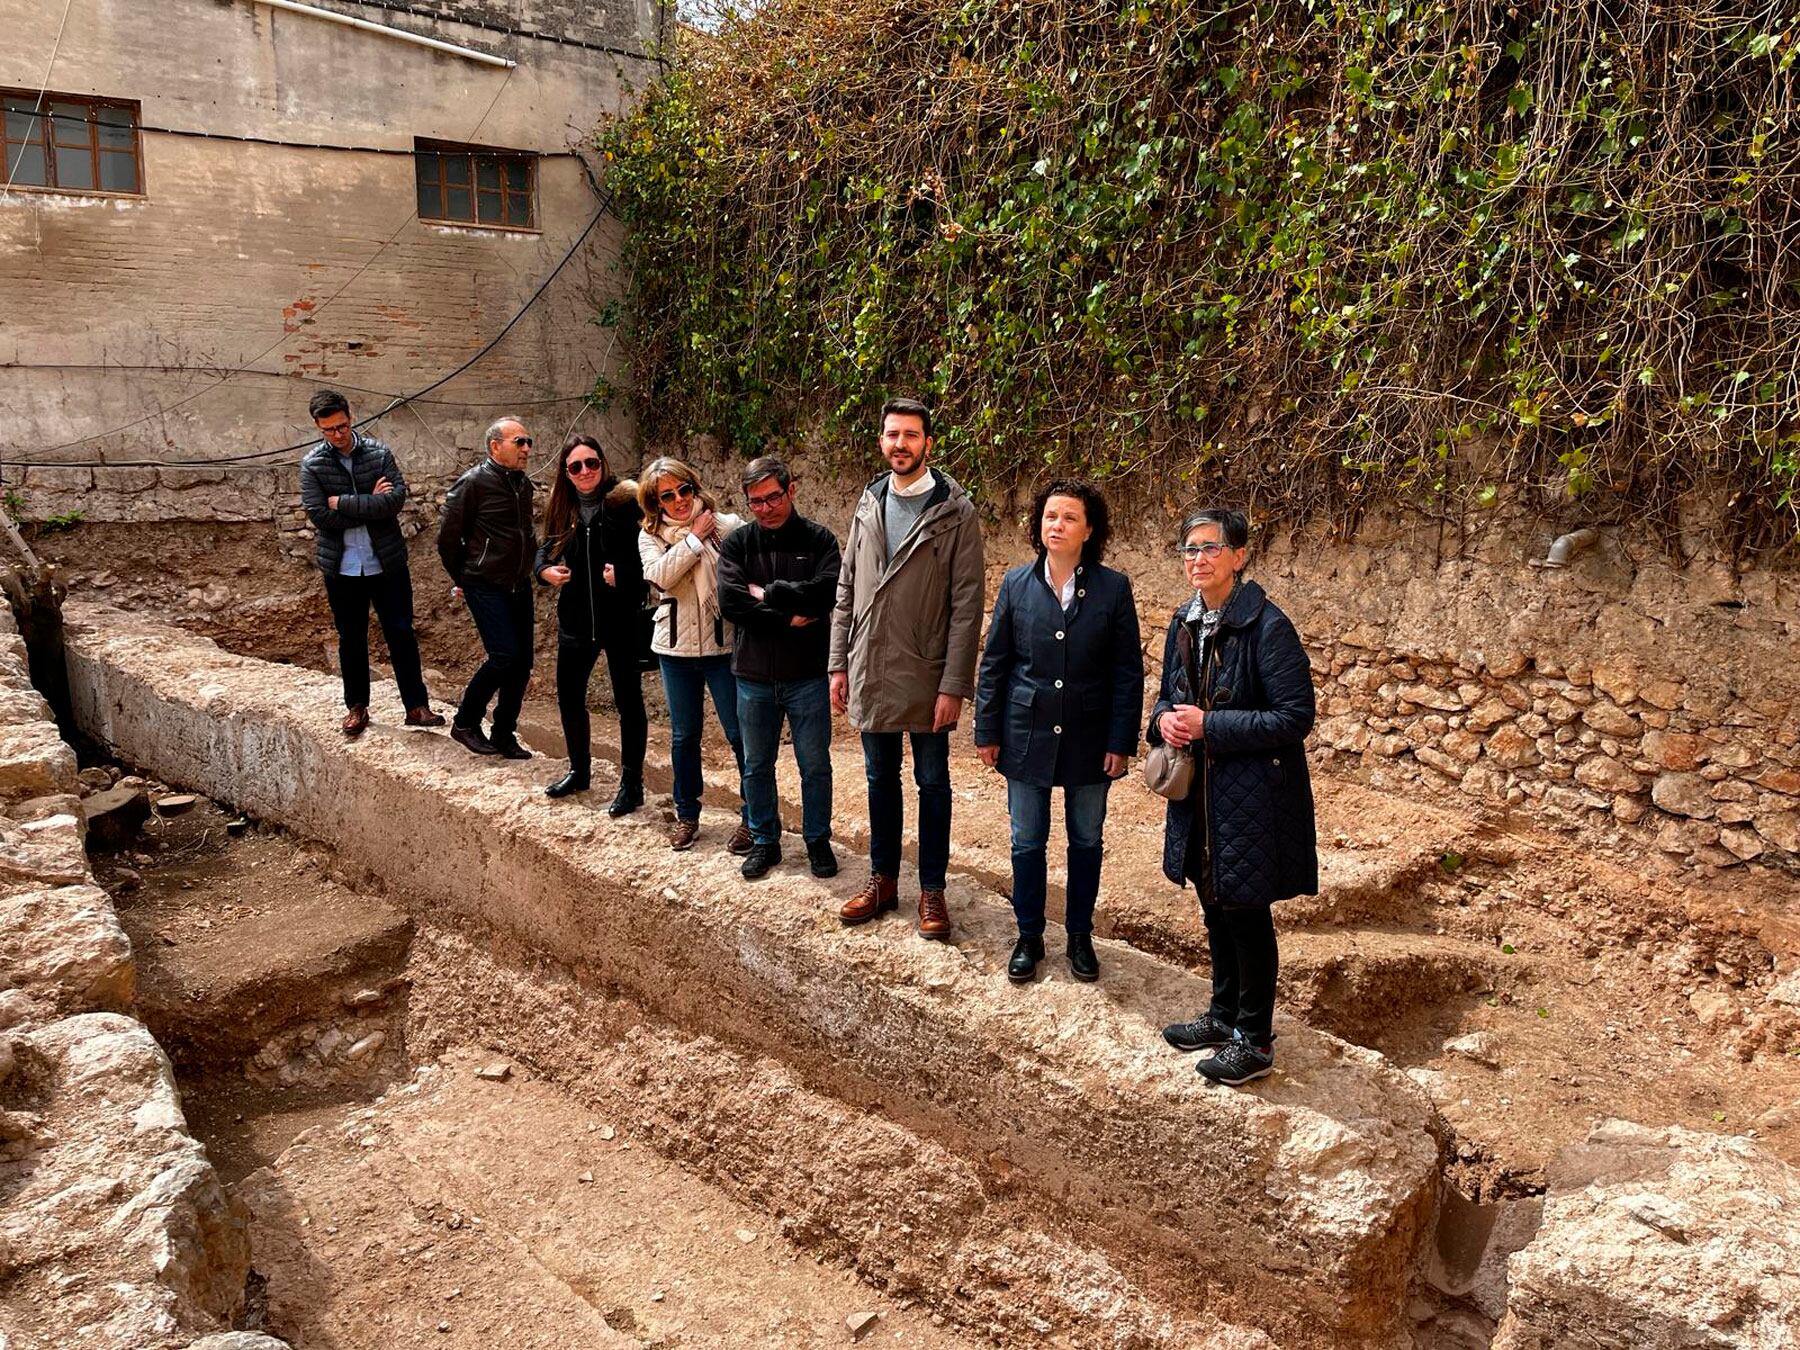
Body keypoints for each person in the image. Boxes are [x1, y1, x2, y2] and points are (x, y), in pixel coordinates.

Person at [1147, 508, 1318, 1086]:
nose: (1197, 559)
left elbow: (1294, 717)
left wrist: (1209, 726)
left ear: (1239, 556)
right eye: (1189, 549)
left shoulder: (1268, 627)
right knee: (1213, 901)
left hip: (1249, 798)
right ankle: (1223, 1016)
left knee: (1246, 912)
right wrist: (1163, 721)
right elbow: (1167, 696)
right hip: (1198, 795)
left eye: (1210, 548)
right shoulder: (1185, 621)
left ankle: (1255, 1039)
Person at [829, 397, 985, 939]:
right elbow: (847, 585)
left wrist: (953, 685)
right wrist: (838, 663)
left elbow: (967, 605)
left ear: (928, 444)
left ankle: (932, 891)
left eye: (911, 435)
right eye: (893, 434)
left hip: (927, 670)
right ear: (882, 441)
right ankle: (883, 880)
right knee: (879, 778)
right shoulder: (869, 501)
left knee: (932, 782)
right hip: (871, 664)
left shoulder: (955, 511)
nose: (901, 444)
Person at [974, 479, 1140, 984]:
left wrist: (1120, 741)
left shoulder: (1113, 589)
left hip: (1090, 735)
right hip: (1025, 732)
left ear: (1089, 529)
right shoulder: (1016, 584)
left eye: (1069, 517)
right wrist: (987, 729)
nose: (1058, 525)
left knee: (1086, 839)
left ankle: (1079, 936)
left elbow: (1127, 672)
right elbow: (995, 663)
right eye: (1050, 516)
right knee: (1027, 840)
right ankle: (1029, 935)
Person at [717, 456, 842, 881]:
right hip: (753, 675)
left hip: (807, 673)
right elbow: (732, 602)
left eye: (773, 498)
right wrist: (788, 616)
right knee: (756, 765)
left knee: (815, 765)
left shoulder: (819, 540)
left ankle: (817, 840)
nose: (766, 508)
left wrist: (768, 593)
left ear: (791, 490)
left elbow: (825, 594)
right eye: (756, 502)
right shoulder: (737, 544)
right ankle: (764, 841)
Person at [297, 390, 444, 736]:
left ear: (351, 418)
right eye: (329, 430)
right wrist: (368, 504)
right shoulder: (313, 465)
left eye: (342, 426)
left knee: (401, 633)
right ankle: (357, 707)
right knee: (351, 638)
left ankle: (416, 707)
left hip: (386, 562)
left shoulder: (379, 454)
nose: (338, 434)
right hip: (343, 567)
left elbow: (393, 502)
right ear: (318, 427)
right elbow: (320, 516)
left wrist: (342, 502)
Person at [637, 455, 752, 854]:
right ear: (656, 503)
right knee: (684, 736)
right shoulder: (650, 536)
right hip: (675, 648)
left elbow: (752, 560)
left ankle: (753, 816)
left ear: (693, 487)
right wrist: (693, 540)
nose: (679, 500)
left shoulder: (726, 525)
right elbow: (661, 576)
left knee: (740, 734)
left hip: (722, 645)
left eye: (683, 490)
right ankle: (687, 815)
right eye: (667, 496)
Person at [534, 435, 649, 810]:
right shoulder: (563, 507)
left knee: (628, 702)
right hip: (576, 620)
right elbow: (544, 549)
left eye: (592, 463)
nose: (585, 471)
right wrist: (544, 570)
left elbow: (652, 555)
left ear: (603, 464)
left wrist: (625, 576)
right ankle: (579, 771)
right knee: (569, 698)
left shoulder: (626, 502)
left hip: (621, 619)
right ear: (566, 473)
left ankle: (631, 783)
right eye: (576, 466)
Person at [436, 416, 538, 761]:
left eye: (528, 442)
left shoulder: (522, 484)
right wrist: (464, 578)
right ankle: (465, 722)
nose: (526, 449)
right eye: (519, 442)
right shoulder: (473, 483)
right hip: (485, 584)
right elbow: (448, 539)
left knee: (521, 663)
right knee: (504, 656)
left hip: (519, 584)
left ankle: (504, 733)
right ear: (495, 446)